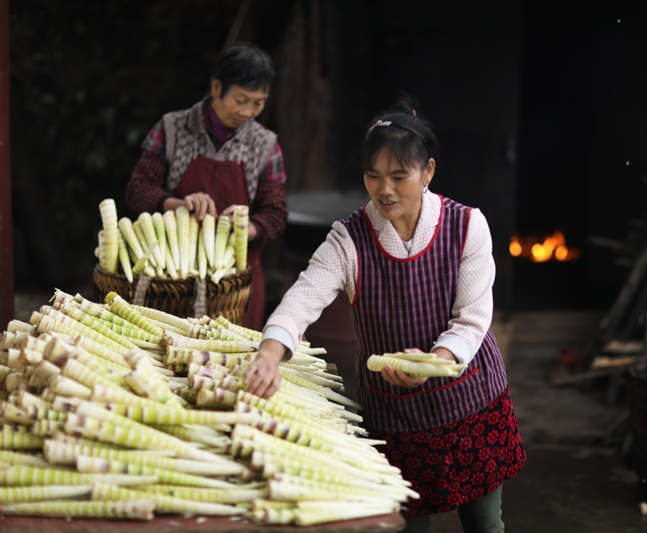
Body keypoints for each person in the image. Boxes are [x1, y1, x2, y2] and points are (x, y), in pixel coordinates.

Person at [244, 95, 526, 533]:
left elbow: (472, 318)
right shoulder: (349, 239)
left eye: (399, 176)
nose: (385, 189)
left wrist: (436, 362)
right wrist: (270, 350)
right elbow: (304, 296)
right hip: (397, 418)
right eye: (374, 176)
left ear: (428, 171)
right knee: (404, 525)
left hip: (468, 402)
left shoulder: (467, 226)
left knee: (486, 524)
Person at [125, 42, 287, 330]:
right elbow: (138, 190)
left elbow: (275, 213)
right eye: (241, 100)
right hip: (172, 286)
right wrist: (177, 205)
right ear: (216, 89)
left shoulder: (266, 145)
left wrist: (249, 227)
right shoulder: (172, 129)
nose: (249, 111)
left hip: (236, 288)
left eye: (258, 103)